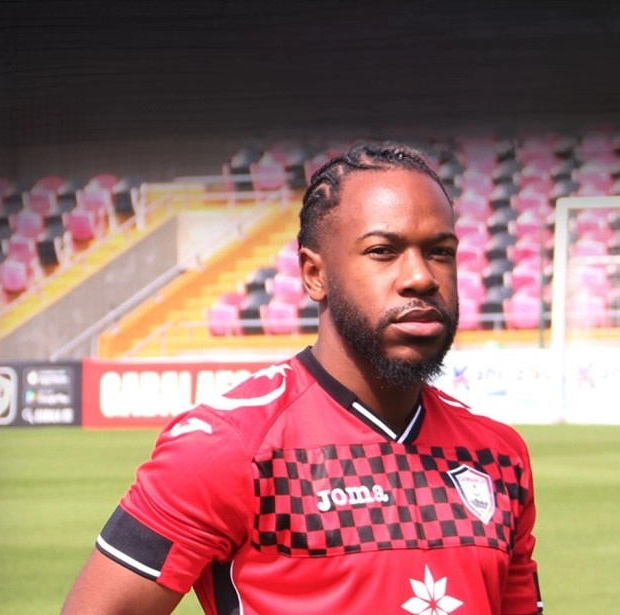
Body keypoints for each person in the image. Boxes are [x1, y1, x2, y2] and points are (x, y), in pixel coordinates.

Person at [61, 141, 544, 615]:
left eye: (440, 251)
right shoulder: (230, 446)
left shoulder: (498, 455)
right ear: (314, 274)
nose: (421, 277)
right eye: (383, 251)